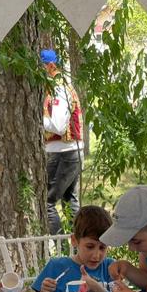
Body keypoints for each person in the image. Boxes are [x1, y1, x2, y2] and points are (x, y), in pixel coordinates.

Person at [42, 48, 83, 235]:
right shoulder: (58, 85)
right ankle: (80, 247)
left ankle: (58, 249)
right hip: (68, 151)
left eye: (41, 67)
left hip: (63, 152)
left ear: (51, 66)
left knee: (47, 202)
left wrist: (35, 119)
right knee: (69, 201)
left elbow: (58, 125)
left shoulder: (58, 87)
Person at [32, 206, 116, 292]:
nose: (96, 255)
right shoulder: (56, 267)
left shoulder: (110, 268)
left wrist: (96, 287)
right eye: (90, 247)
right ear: (74, 240)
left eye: (102, 247)